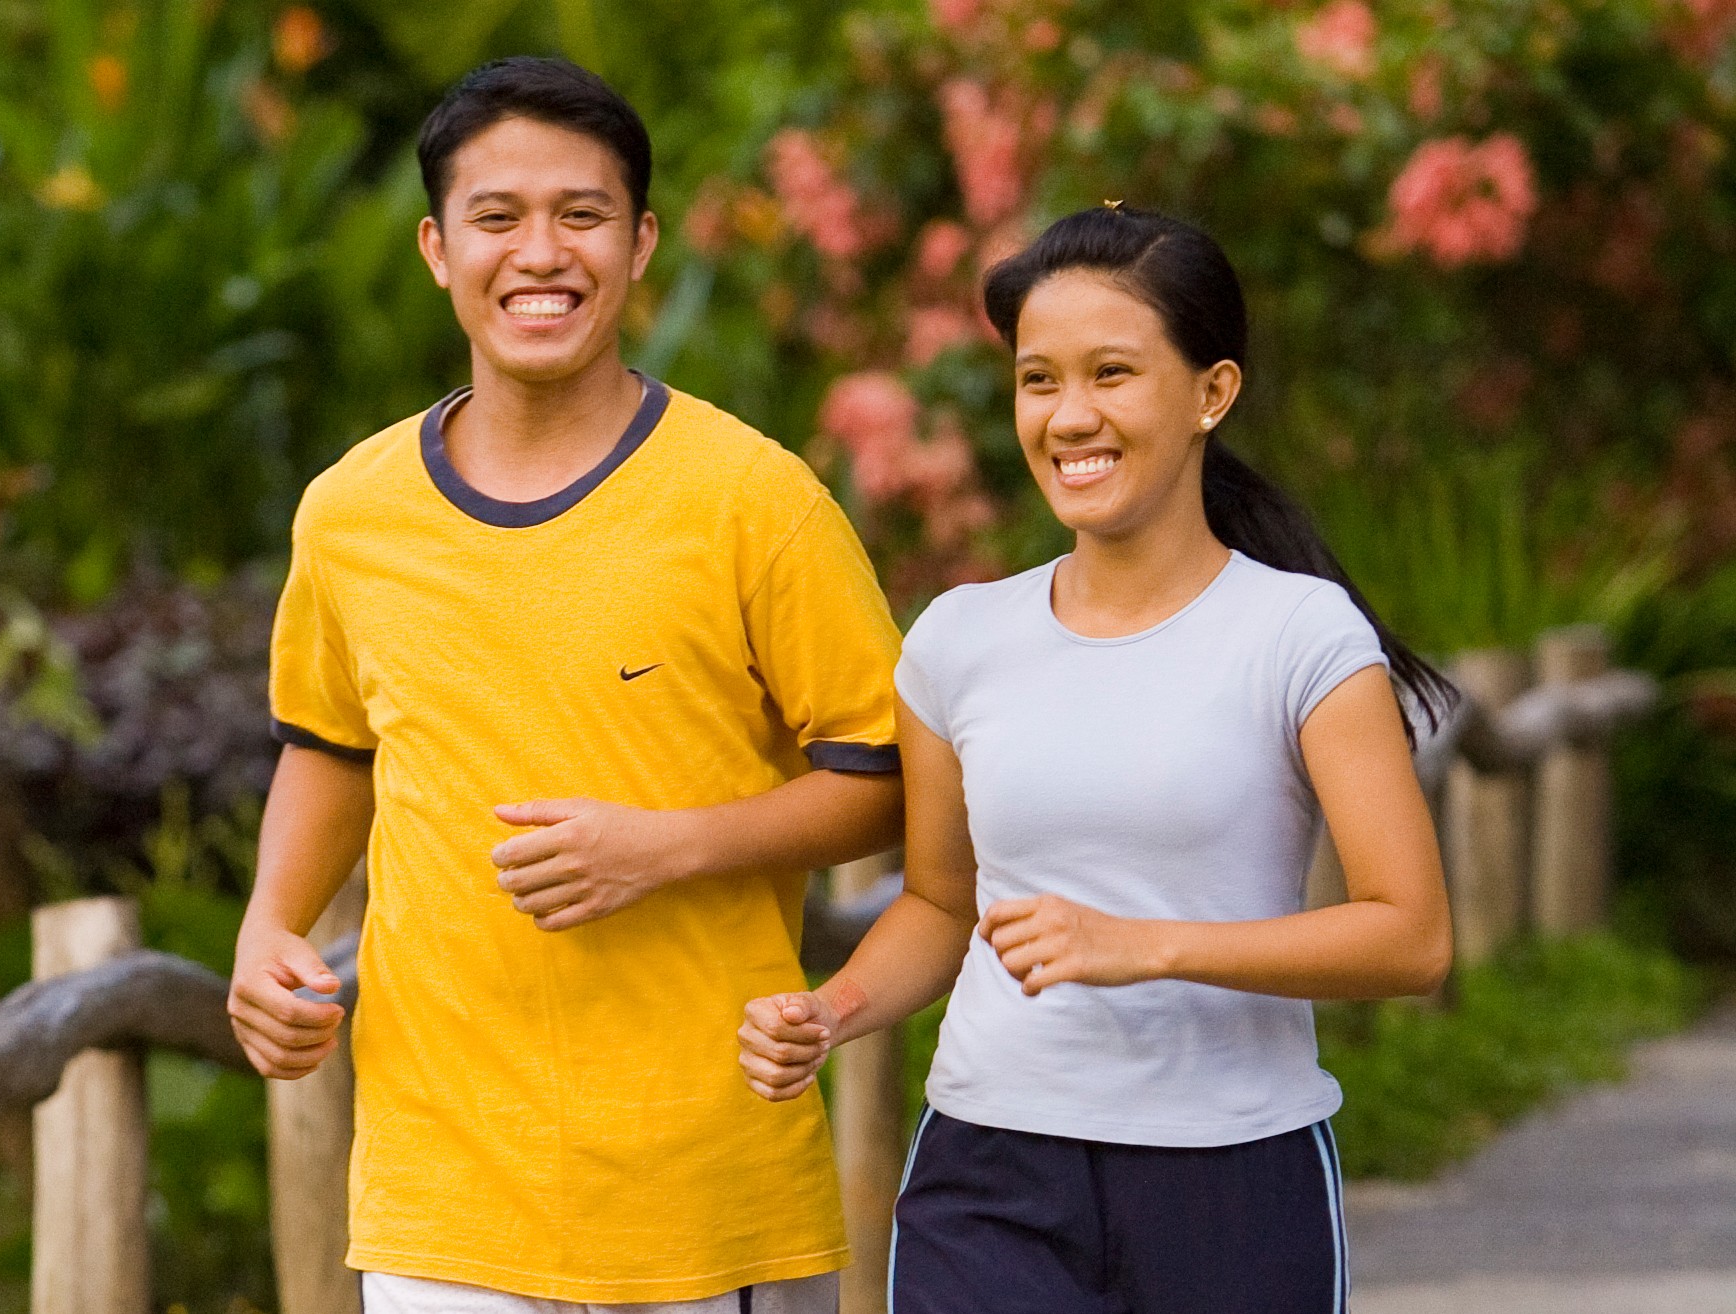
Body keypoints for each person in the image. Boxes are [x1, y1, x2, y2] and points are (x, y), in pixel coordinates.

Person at [228, 56, 905, 1314]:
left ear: (641, 243)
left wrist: (665, 848)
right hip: (442, 1198)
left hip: (703, 1194)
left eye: (580, 215)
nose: (539, 253)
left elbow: (888, 785)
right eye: (497, 217)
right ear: (437, 248)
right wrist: (269, 926)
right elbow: (327, 746)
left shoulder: (753, 500)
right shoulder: (348, 514)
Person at [737, 204, 1457, 1314]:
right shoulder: (957, 638)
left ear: (1210, 393)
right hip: (988, 1172)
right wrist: (830, 1011)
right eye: (1037, 381)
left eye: (1110, 374)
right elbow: (938, 903)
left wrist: (1142, 944)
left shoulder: (1298, 637)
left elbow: (1408, 935)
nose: (1068, 417)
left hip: (1232, 1177)